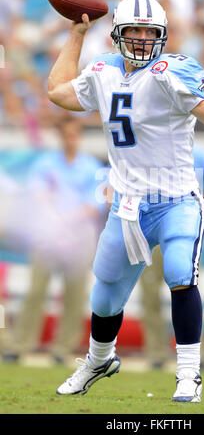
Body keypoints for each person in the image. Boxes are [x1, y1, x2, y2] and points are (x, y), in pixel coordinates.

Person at [48, 0, 204, 402]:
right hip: (127, 203)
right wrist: (76, 33)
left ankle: (189, 373)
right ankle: (99, 359)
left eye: (149, 31)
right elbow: (58, 93)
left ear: (163, 35)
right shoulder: (102, 70)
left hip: (176, 198)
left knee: (178, 271)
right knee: (104, 295)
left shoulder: (173, 71)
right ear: (117, 34)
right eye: (134, 30)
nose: (141, 38)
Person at [3, 116, 106, 364]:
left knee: (74, 294)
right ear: (61, 137)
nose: (70, 140)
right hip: (49, 234)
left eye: (74, 135)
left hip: (78, 236)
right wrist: (54, 218)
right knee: (37, 290)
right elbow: (39, 194)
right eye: (66, 135)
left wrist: (69, 219)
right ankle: (21, 344)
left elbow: (95, 204)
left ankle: (63, 347)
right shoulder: (46, 164)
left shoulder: (90, 166)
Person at [140, 145, 204, 369]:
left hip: (180, 231)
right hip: (151, 233)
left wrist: (202, 203)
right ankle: (156, 353)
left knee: (186, 289)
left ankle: (195, 354)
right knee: (150, 294)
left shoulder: (194, 153)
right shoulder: (147, 149)